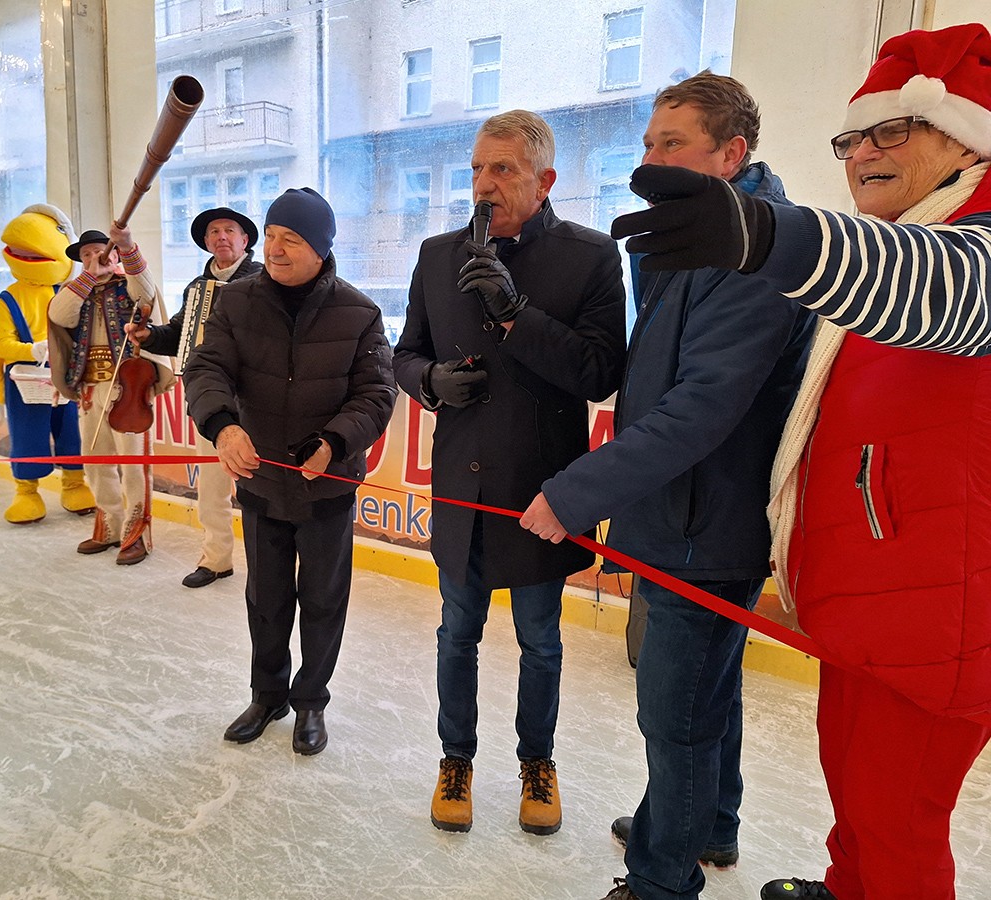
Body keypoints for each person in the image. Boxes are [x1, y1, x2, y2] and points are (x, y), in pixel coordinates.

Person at [609, 23, 991, 900]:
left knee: (897, 821)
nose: (865, 153)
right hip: (874, 598)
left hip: (940, 611)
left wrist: (768, 237)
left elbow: (944, 288)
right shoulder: (902, 234)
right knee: (858, 794)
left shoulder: (962, 247)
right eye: (853, 138)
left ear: (967, 141)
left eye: (892, 131)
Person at [519, 73, 814, 899]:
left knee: (676, 716)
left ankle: (660, 880)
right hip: (687, 511)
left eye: (672, 144)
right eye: (648, 142)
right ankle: (709, 821)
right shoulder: (697, 239)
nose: (650, 159)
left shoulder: (755, 255)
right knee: (707, 690)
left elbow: (699, 408)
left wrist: (575, 493)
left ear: (731, 154)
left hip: (704, 525)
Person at [393, 109, 627, 836]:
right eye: (477, 169)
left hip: (540, 492)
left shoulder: (590, 256)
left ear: (544, 180)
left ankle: (537, 762)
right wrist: (430, 382)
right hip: (463, 490)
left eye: (503, 169)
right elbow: (404, 353)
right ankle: (455, 759)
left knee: (541, 641)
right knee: (456, 634)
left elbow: (600, 373)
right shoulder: (437, 255)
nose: (484, 184)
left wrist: (516, 314)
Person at [185, 188, 395, 756]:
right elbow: (206, 368)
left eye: (291, 240)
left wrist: (334, 442)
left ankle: (310, 702)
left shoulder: (359, 312)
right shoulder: (237, 301)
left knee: (323, 600)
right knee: (266, 598)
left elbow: (377, 393)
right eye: (272, 236)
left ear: (321, 249)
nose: (275, 249)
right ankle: (268, 694)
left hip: (326, 487)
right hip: (261, 483)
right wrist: (223, 426)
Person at [127, 207, 263, 589]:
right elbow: (178, 334)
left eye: (229, 230)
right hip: (213, 399)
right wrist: (149, 337)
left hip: (258, 399)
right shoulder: (197, 288)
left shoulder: (265, 281)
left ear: (245, 239)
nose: (222, 237)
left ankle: (268, 567)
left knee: (259, 489)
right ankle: (216, 559)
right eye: (214, 232)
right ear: (206, 242)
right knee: (212, 484)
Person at [48, 223, 174, 566]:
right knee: (95, 460)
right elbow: (59, 315)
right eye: (86, 254)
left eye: (100, 251)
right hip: (90, 386)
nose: (94, 257)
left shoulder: (128, 283)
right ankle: (109, 524)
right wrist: (89, 276)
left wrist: (128, 249)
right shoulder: (76, 291)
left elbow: (146, 293)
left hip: (127, 387)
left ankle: (137, 532)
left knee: (134, 465)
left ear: (114, 255)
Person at [0, 203, 95, 524]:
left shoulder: (68, 292)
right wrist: (34, 349)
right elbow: (3, 344)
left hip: (65, 376)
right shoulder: (7, 299)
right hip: (24, 380)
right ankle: (27, 492)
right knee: (28, 435)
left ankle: (74, 484)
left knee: (70, 432)